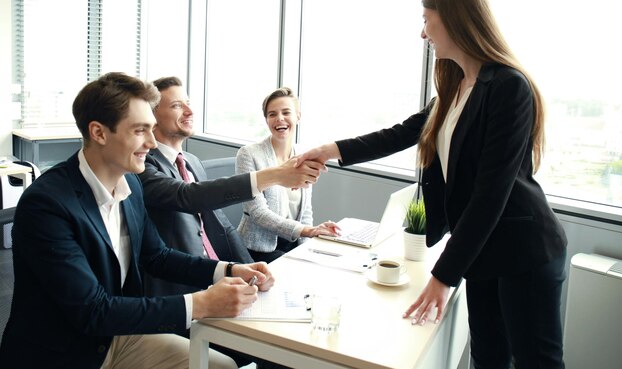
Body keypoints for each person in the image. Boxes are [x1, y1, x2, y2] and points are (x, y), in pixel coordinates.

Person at [296, 1, 568, 368]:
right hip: (483, 252)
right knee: (488, 358)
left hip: (525, 250)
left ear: (456, 18)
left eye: (427, 20)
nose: (423, 33)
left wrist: (443, 277)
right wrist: (331, 150)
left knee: (537, 362)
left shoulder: (508, 87)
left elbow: (490, 196)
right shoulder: (455, 88)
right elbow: (400, 133)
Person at [0, 72, 275, 369]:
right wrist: (203, 303)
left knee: (221, 366)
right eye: (140, 130)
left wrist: (228, 270)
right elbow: (92, 311)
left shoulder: (131, 188)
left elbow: (157, 256)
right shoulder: (47, 204)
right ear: (99, 133)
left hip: (114, 336)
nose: (153, 143)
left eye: (152, 129)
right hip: (62, 353)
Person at [139, 77, 320, 368]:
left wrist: (251, 270)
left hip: (219, 275)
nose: (188, 110)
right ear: (151, 116)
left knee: (294, 335)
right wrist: (272, 175)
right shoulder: (143, 164)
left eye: (188, 102)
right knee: (274, 348)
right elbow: (188, 197)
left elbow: (221, 229)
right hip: (187, 290)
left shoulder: (192, 161)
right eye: (176, 105)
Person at [236, 87, 339, 263]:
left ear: (298, 116)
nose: (279, 119)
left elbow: (305, 210)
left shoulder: (304, 154)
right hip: (257, 250)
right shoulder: (249, 154)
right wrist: (306, 230)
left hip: (294, 243)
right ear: (267, 120)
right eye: (272, 114)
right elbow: (258, 213)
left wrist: (309, 241)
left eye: (286, 112)